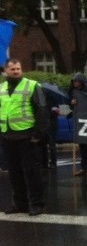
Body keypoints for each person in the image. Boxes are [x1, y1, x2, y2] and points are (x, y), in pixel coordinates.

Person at [1, 58, 48, 215]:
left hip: (27, 135)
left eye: (18, 69)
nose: (16, 71)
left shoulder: (32, 85)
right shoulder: (1, 88)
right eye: (12, 69)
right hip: (8, 136)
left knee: (32, 172)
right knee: (14, 173)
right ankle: (20, 204)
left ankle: (37, 204)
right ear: (5, 71)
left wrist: (38, 133)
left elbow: (41, 109)